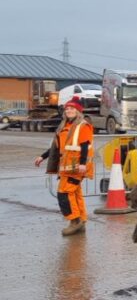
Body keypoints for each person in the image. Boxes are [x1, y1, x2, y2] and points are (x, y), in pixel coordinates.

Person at [34, 96, 94, 236]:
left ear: (78, 111)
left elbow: (85, 146)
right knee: (74, 193)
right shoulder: (63, 127)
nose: (69, 111)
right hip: (67, 167)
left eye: (72, 108)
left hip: (77, 167)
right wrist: (42, 157)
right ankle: (81, 221)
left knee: (64, 193)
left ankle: (74, 220)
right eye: (67, 109)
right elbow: (56, 148)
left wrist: (83, 164)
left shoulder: (83, 126)